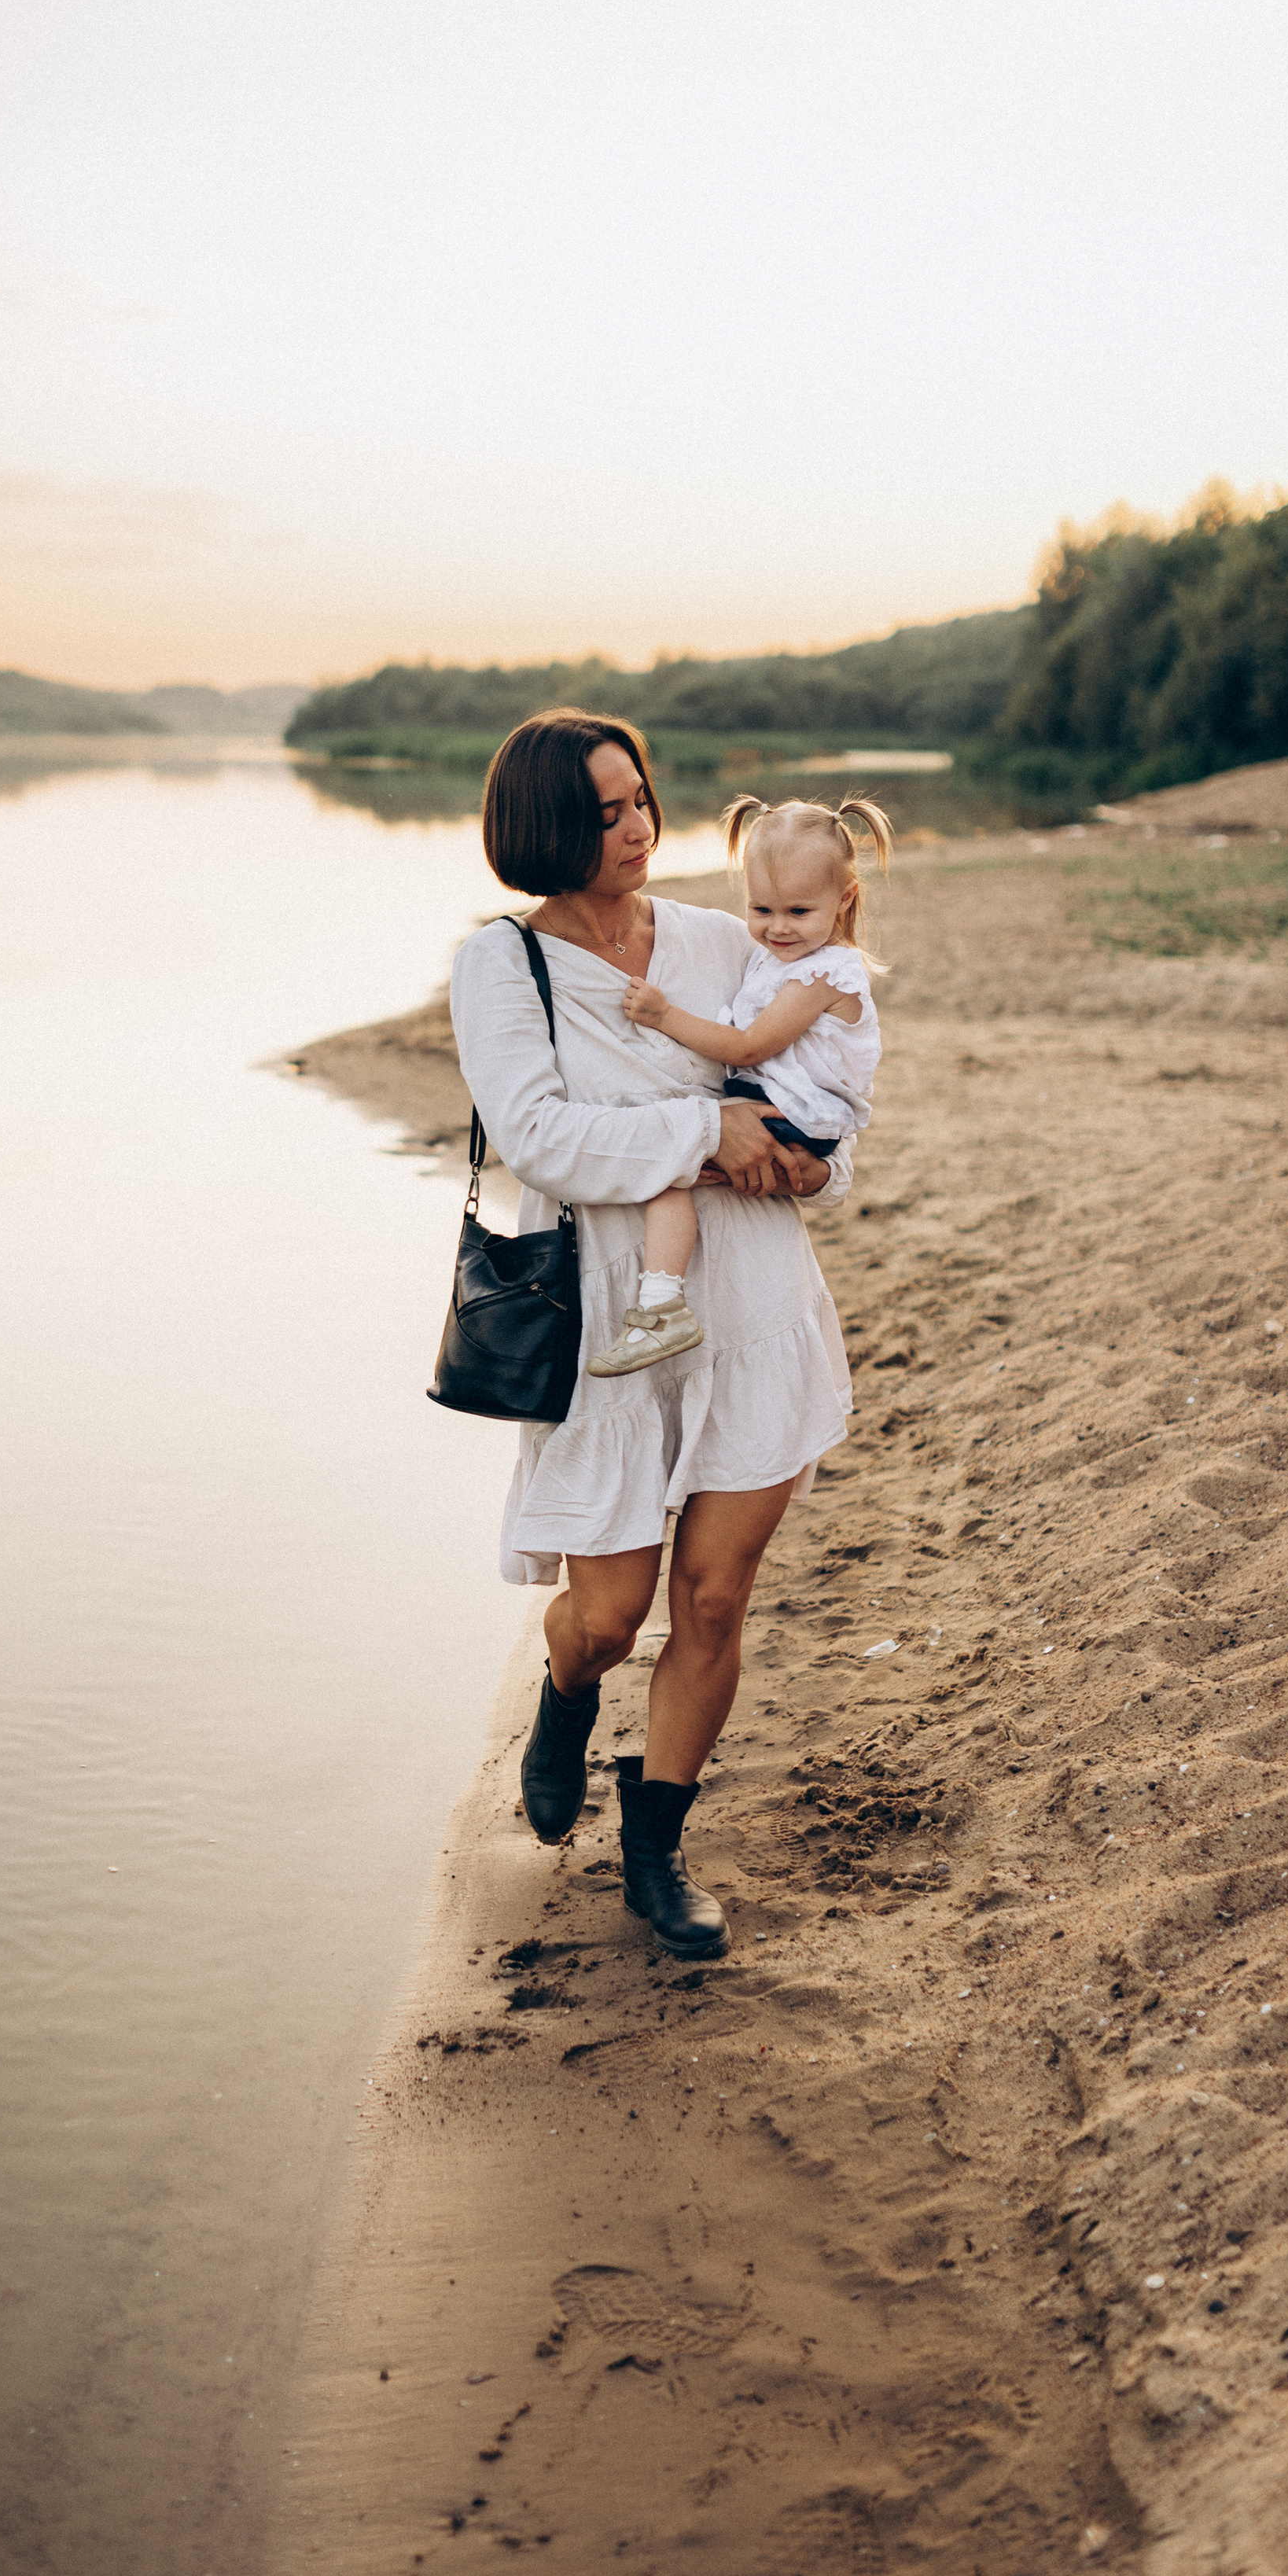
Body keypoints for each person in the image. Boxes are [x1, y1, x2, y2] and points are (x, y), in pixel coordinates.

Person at [446, 712, 859, 1963]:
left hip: (753, 1303)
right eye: (606, 811)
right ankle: (565, 1701)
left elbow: (821, 1087)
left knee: (716, 1601)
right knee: (612, 1612)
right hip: (611, 1316)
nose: (636, 828)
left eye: (642, 801)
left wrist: (805, 1171)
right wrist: (704, 1138)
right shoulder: (499, 966)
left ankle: (658, 1848)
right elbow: (540, 1139)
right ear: (543, 829)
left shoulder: (722, 936)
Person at [587, 792, 891, 1376]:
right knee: (676, 1163)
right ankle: (664, 1304)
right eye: (761, 910)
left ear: (844, 899)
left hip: (797, 1114)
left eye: (798, 913)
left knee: (670, 1167)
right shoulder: (778, 958)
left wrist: (663, 1015)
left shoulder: (825, 973)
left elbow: (752, 1047)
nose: (776, 929)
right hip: (781, 1103)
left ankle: (660, 1306)